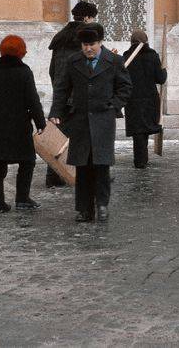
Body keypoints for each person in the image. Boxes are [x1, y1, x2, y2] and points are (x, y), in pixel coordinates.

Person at [48, 23, 132, 223]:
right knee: (83, 167)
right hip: (80, 121)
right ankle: (84, 209)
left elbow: (125, 87)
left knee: (102, 166)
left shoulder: (113, 61)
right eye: (85, 45)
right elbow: (62, 89)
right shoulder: (73, 61)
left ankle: (102, 205)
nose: (88, 49)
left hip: (103, 121)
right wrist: (56, 111)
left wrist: (114, 105)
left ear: (100, 43)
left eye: (92, 44)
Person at [0, 35, 46, 213]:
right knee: (27, 161)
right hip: (20, 126)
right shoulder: (24, 72)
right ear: (20, 52)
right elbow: (33, 99)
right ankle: (22, 199)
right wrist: (40, 122)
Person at [45, 0, 98, 187]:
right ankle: (88, 176)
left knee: (60, 136)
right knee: (85, 137)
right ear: (86, 17)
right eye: (92, 17)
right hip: (79, 96)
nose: (93, 21)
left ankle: (54, 176)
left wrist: (59, 90)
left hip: (62, 94)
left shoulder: (61, 38)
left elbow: (53, 70)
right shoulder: (85, 40)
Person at [122, 29, 167, 169]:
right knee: (145, 129)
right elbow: (160, 78)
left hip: (132, 99)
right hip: (149, 99)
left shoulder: (126, 57)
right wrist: (164, 70)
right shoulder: (152, 56)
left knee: (138, 131)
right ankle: (141, 159)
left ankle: (140, 159)